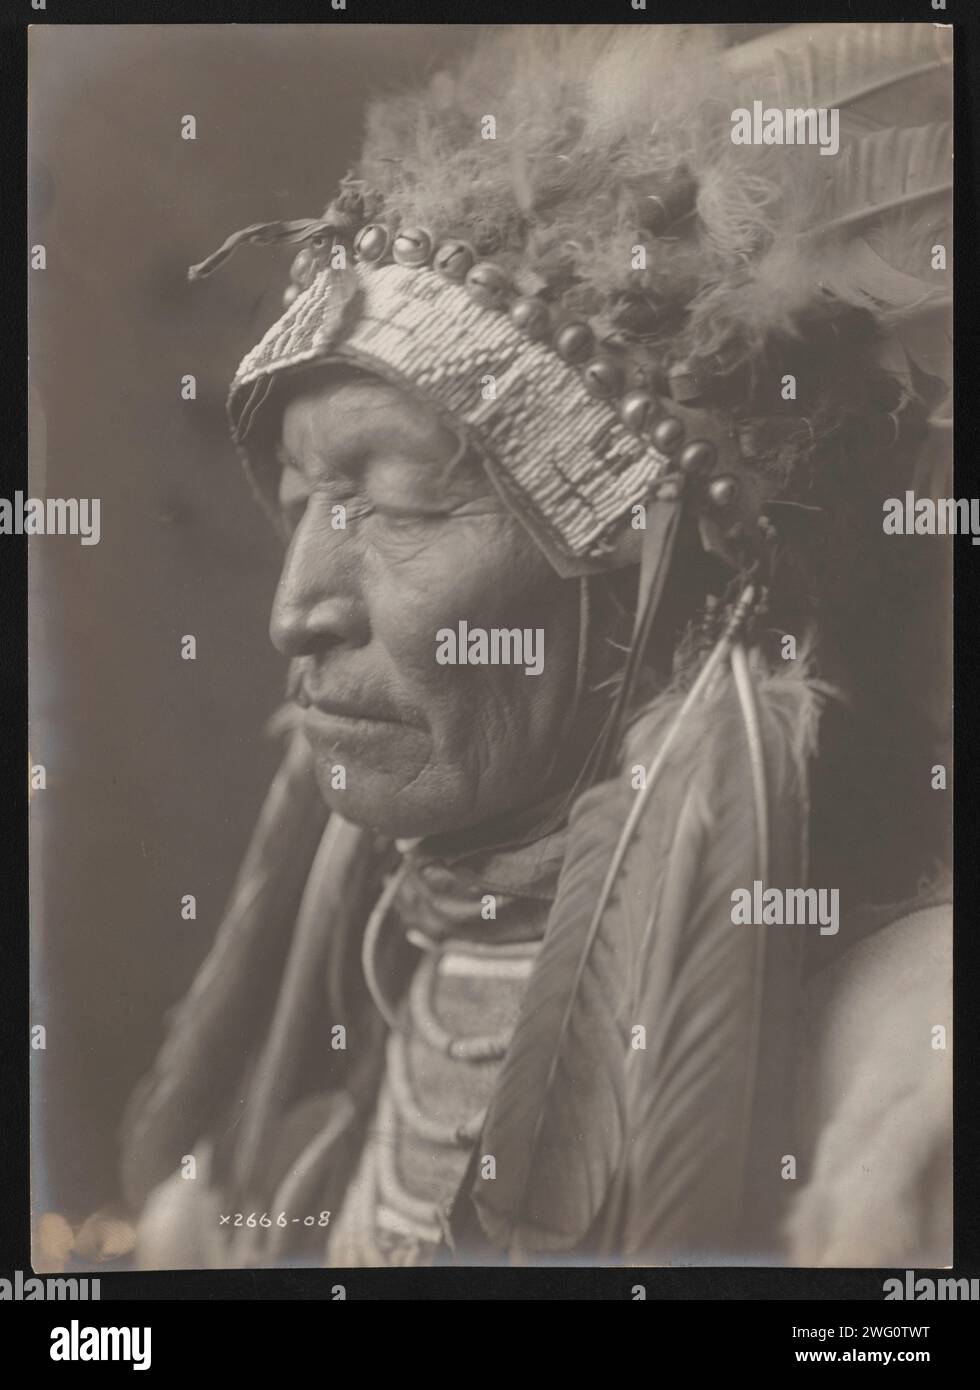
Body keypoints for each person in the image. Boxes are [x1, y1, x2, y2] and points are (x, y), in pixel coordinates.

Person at [121, 23, 952, 1268]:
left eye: (398, 507)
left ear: (648, 594)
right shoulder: (309, 1099)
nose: (296, 610)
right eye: (302, 509)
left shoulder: (907, 1091)